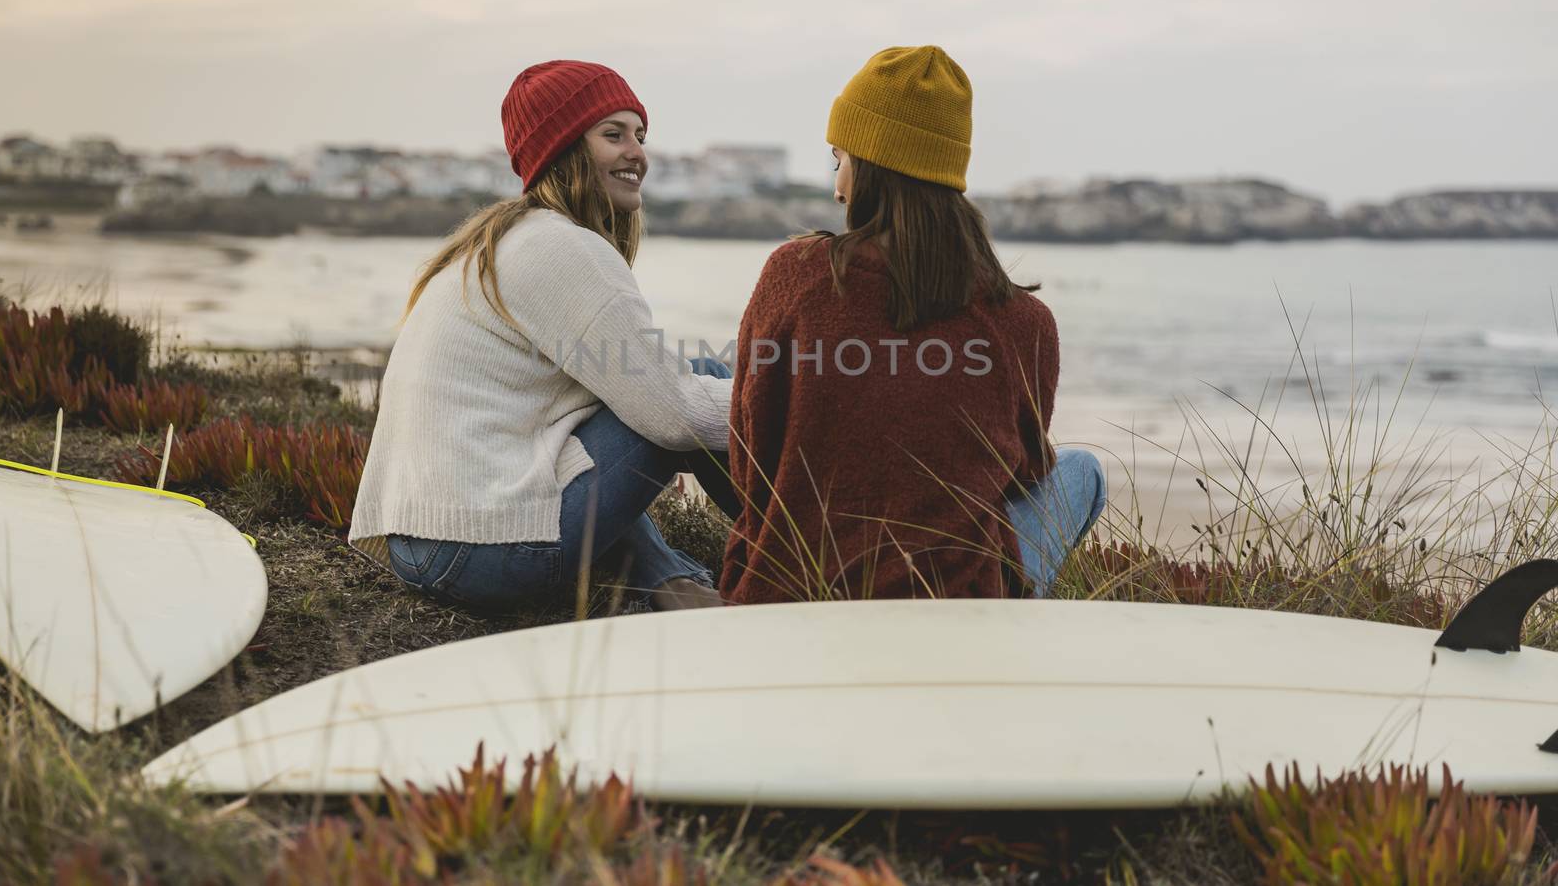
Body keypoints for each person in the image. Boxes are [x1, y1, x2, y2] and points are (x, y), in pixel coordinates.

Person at [720, 46, 1105, 605]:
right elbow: (1020, 471)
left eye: (840, 160)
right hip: (949, 610)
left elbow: (748, 449)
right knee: (1081, 470)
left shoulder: (796, 275)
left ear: (872, 167)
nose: (837, 188)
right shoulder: (1026, 322)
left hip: (791, 595)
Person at [350, 60, 738, 613]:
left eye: (640, 135)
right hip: (483, 552)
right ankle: (824, 559)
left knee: (634, 402)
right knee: (706, 382)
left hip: (419, 544)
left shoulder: (500, 243)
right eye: (613, 135)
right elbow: (672, 415)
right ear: (565, 150)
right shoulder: (560, 248)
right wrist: (788, 398)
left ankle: (671, 583)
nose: (638, 153)